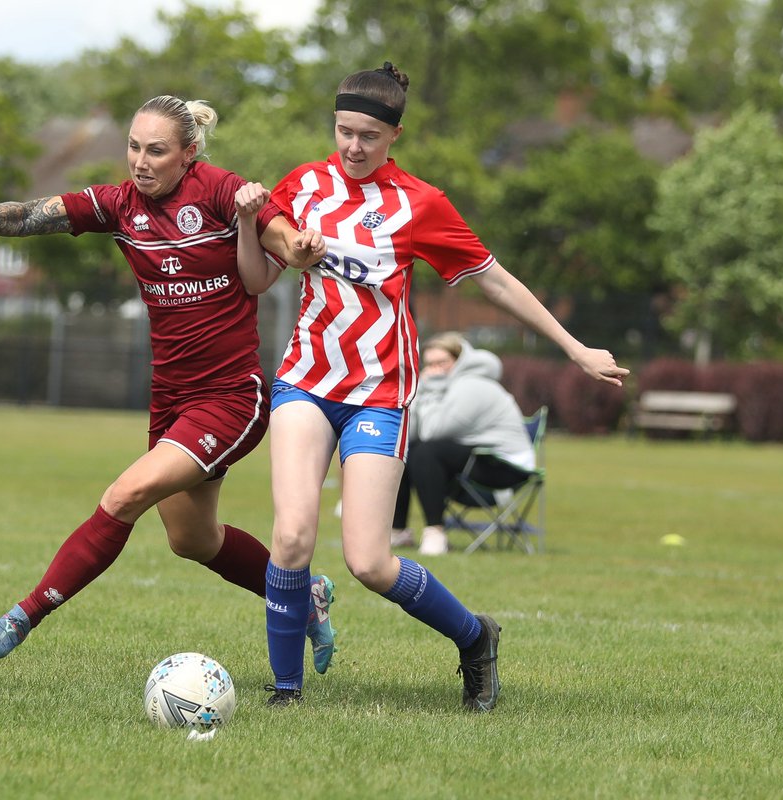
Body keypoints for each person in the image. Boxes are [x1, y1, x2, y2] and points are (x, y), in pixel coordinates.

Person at [235, 63, 629, 711]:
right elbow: (256, 279)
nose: (353, 146)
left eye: (368, 134)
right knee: (292, 536)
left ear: (395, 134)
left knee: (369, 561)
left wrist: (574, 346)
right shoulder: (302, 185)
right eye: (343, 131)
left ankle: (475, 638)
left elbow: (495, 281)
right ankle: (286, 692)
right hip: (304, 381)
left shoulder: (420, 204)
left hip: (379, 393)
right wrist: (252, 225)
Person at [0, 95, 340, 671]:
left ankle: (22, 616)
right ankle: (306, 598)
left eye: (157, 151)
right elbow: (36, 214)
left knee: (124, 496)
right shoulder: (118, 204)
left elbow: (285, 243)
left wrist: (304, 244)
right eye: (134, 147)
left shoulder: (220, 190)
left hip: (231, 398)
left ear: (189, 154)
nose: (140, 162)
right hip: (169, 400)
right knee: (192, 540)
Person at [392, 332, 534, 556]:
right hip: (476, 461)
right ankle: (398, 530)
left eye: (442, 363)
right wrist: (422, 392)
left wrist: (429, 388)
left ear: (460, 361)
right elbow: (410, 433)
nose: (435, 370)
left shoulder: (472, 386)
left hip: (505, 471)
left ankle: (435, 532)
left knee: (426, 452)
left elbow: (431, 431)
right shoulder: (447, 386)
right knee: (405, 450)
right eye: (430, 364)